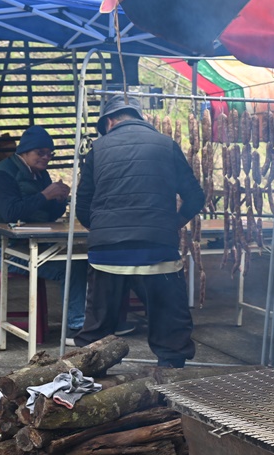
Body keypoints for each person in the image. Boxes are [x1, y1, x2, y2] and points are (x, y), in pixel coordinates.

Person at [73, 96, 205, 367]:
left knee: (97, 327)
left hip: (107, 255)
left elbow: (83, 206)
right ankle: (172, 377)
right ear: (138, 117)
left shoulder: (97, 150)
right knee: (171, 323)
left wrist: (104, 232)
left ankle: (87, 380)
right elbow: (195, 197)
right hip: (157, 249)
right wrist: (173, 223)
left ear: (109, 121)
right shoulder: (167, 145)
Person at [0, 125, 88, 333]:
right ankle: (76, 324)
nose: (46, 157)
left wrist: (60, 199)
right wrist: (45, 195)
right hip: (4, 248)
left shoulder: (41, 175)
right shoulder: (3, 174)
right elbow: (11, 213)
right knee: (72, 267)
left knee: (81, 260)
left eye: (50, 153)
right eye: (40, 152)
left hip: (33, 243)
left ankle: (83, 318)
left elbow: (47, 215)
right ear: (24, 151)